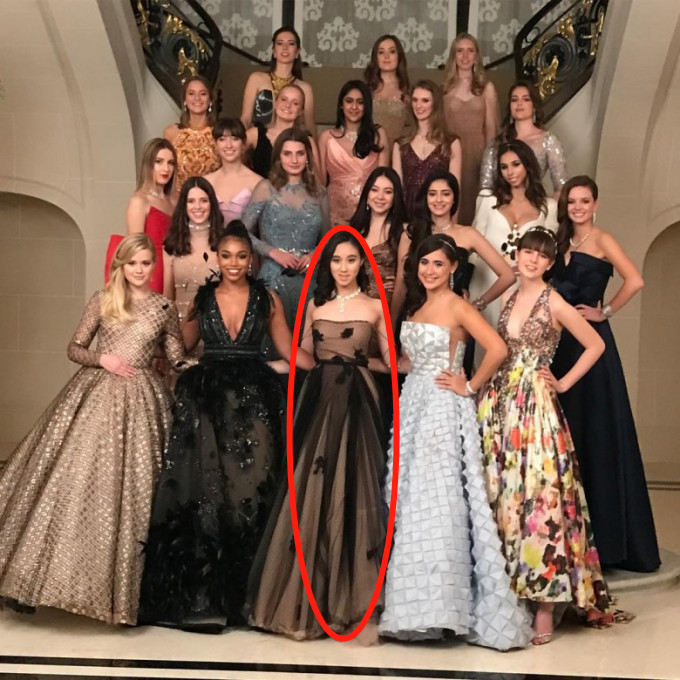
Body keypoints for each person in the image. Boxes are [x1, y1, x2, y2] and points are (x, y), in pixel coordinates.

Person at [0, 234, 188, 625]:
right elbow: (74, 348)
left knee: (139, 488)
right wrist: (103, 359)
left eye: (146, 263)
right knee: (81, 480)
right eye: (132, 263)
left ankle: (131, 592)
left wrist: (223, 365)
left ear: (154, 266)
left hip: (144, 400)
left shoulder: (165, 307)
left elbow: (177, 359)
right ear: (121, 265)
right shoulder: (103, 300)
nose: (140, 270)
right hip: (98, 393)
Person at [138, 221, 315, 633]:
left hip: (254, 399)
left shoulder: (268, 299)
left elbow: (289, 349)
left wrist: (331, 365)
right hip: (207, 401)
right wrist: (139, 337)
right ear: (215, 258)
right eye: (226, 256)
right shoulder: (203, 299)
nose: (234, 263)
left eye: (241, 256)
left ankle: (247, 596)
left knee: (252, 488)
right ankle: (204, 597)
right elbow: (179, 345)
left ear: (251, 260)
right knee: (205, 491)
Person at [379, 233, 532, 649]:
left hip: (443, 408)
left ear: (453, 268)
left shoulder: (459, 305)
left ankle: (442, 608)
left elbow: (497, 348)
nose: (429, 270)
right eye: (424, 263)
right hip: (413, 402)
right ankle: (413, 607)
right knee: (408, 498)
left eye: (438, 264)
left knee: (438, 500)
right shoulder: (417, 307)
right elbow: (407, 363)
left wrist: (470, 386)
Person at [246, 231, 390, 641]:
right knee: (312, 486)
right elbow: (304, 355)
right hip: (320, 398)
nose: (343, 268)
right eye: (336, 260)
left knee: (354, 486)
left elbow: (388, 360)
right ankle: (305, 598)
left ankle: (350, 598)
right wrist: (270, 364)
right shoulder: (316, 304)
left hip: (358, 400)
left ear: (361, 264)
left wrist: (429, 366)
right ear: (327, 265)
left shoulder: (375, 306)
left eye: (351, 260)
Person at [478, 227, 618, 644]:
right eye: (527, 252)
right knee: (505, 499)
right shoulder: (508, 296)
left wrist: (563, 382)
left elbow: (595, 345)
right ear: (518, 254)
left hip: (535, 407)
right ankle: (512, 593)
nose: (532, 259)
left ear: (550, 263)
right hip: (500, 404)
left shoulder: (554, 300)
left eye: (541, 255)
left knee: (541, 499)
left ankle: (545, 604)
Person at [551, 176, 660, 573]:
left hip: (592, 345)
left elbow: (636, 280)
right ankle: (569, 539)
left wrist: (606, 311)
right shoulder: (560, 242)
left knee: (597, 431)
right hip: (560, 347)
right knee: (568, 433)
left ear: (596, 204)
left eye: (585, 201)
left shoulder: (602, 239)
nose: (578, 207)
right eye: (572, 201)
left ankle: (609, 545)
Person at [391, 170, 514, 331]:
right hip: (414, 316)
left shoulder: (468, 234)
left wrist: (477, 305)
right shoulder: (411, 233)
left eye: (445, 194)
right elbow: (401, 285)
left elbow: (508, 275)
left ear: (454, 198)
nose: (439, 199)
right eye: (432, 194)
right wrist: (390, 326)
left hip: (452, 321)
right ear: (426, 198)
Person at [241, 127, 330, 332]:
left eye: (300, 153)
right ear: (279, 157)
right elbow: (241, 233)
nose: (294, 160)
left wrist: (314, 255)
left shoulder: (320, 193)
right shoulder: (265, 187)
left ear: (307, 157)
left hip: (310, 280)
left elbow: (327, 238)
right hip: (273, 277)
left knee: (305, 339)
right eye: (287, 153)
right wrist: (272, 252)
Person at [471, 139, 558, 330]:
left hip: (523, 286)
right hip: (484, 281)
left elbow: (547, 254)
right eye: (504, 167)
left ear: (528, 165)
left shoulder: (548, 207)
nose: (510, 172)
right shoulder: (488, 199)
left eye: (515, 164)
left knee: (514, 339)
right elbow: (472, 249)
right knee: (482, 340)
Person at [105, 138, 177, 293]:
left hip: (175, 270)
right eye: (159, 162)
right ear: (148, 164)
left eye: (171, 163)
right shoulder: (139, 201)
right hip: (151, 272)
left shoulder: (175, 200)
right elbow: (135, 249)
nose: (166, 168)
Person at [442, 33, 498, 225]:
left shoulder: (486, 87)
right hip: (451, 155)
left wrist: (490, 163)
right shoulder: (445, 88)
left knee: (477, 206)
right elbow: (441, 127)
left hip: (478, 155)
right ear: (454, 55)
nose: (465, 56)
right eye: (460, 51)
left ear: (477, 56)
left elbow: (491, 128)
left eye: (470, 51)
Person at [319, 80, 389, 226]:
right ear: (341, 104)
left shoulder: (378, 134)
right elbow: (319, 183)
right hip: (335, 216)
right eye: (349, 101)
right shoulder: (326, 137)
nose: (354, 107)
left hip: (370, 214)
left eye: (360, 102)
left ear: (367, 106)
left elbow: (383, 178)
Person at [479, 80, 568, 195]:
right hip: (501, 202)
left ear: (534, 105)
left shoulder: (548, 140)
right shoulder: (497, 143)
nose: (519, 104)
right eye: (514, 100)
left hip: (535, 201)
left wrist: (548, 206)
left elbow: (562, 186)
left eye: (526, 99)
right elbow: (485, 187)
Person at [393, 79, 462, 219]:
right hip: (408, 218)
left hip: (439, 216)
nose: (419, 105)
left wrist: (452, 226)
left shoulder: (451, 143)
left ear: (435, 104)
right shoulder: (400, 145)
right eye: (415, 100)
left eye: (425, 100)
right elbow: (397, 191)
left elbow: (456, 190)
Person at [163, 177, 223, 326]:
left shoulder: (225, 242)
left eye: (204, 200)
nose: (198, 206)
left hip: (218, 328)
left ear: (212, 203)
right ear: (183, 205)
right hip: (181, 326)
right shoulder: (172, 245)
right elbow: (167, 297)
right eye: (191, 201)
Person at [348, 166, 408, 307]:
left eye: (388, 192)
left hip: (387, 305)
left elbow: (404, 280)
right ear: (367, 194)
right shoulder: (354, 228)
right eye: (374, 190)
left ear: (395, 197)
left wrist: (391, 317)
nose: (380, 197)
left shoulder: (403, 231)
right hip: (354, 305)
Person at [240, 26, 316, 136]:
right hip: (260, 140)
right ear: (274, 51)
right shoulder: (256, 79)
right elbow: (245, 119)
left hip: (290, 141)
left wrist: (313, 145)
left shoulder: (305, 88)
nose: (285, 48)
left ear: (297, 52)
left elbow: (310, 126)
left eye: (291, 44)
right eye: (280, 43)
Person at [245, 83, 321, 180]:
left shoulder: (307, 140)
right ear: (275, 103)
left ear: (301, 111)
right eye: (284, 99)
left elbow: (318, 181)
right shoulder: (254, 134)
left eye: (295, 103)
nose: (288, 105)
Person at [164, 75, 220, 192]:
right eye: (191, 93)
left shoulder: (220, 132)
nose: (197, 98)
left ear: (210, 99)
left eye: (203, 94)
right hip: (179, 199)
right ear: (184, 100)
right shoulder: (171, 132)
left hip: (213, 199)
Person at [204, 117, 261, 224]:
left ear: (243, 143)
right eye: (222, 139)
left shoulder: (258, 182)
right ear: (215, 144)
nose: (229, 145)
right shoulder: (206, 182)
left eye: (235, 139)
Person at [364, 34, 411, 149]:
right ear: (375, 58)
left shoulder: (408, 92)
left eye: (392, 51)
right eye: (381, 52)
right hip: (369, 152)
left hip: (398, 153)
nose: (386, 56)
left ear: (399, 56)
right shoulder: (366, 91)